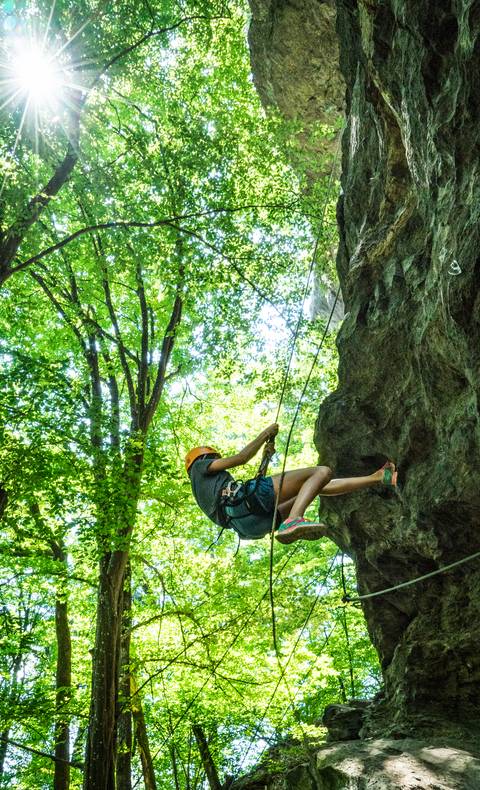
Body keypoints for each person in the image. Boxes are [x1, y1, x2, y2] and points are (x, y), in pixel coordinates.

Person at [186, 424, 397, 544]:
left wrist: (265, 460)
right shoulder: (200, 467)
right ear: (206, 457)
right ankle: (294, 520)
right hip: (248, 506)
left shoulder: (206, 491)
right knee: (321, 472)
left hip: (250, 525)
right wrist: (264, 435)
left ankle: (379, 478)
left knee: (314, 487)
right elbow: (241, 458)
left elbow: (251, 492)